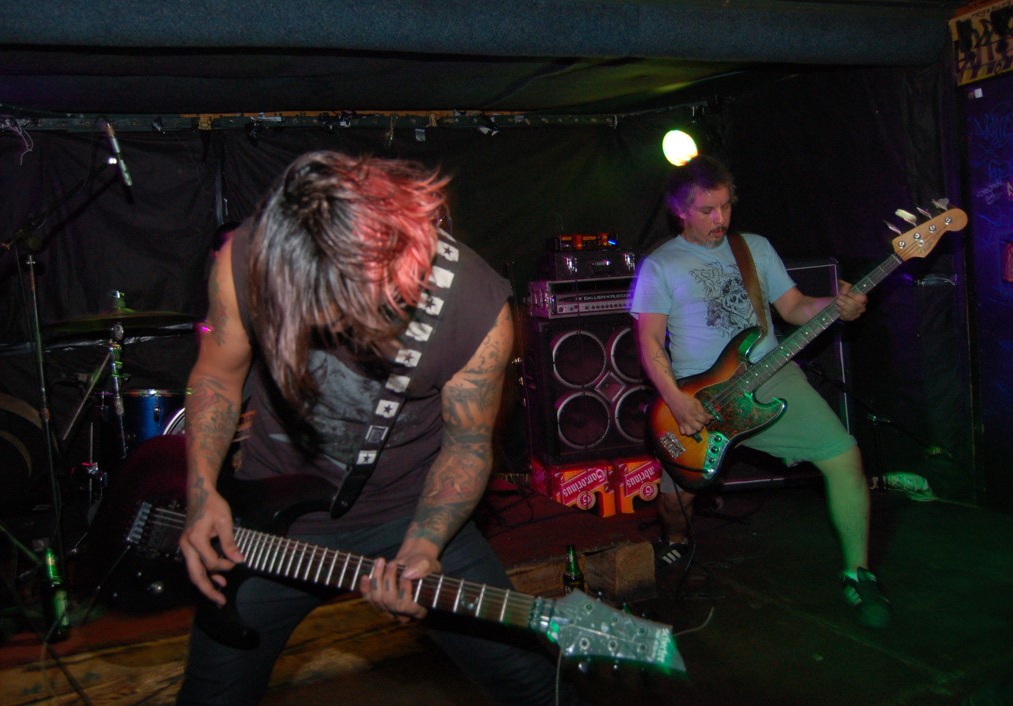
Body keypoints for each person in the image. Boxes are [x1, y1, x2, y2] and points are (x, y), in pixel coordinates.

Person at [176, 151, 582, 704]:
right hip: (267, 523)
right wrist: (202, 490)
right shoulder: (243, 260)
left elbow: (467, 445)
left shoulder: (473, 304)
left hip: (409, 509)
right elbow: (216, 377)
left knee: (534, 685)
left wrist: (425, 543)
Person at [629, 155, 892, 629]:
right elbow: (648, 342)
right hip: (698, 396)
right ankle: (677, 540)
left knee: (844, 455)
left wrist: (837, 306)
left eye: (726, 207)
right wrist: (676, 400)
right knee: (674, 502)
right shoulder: (660, 265)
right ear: (680, 211)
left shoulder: (754, 248)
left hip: (771, 374)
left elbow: (794, 307)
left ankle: (858, 573)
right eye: (707, 210)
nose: (720, 219)